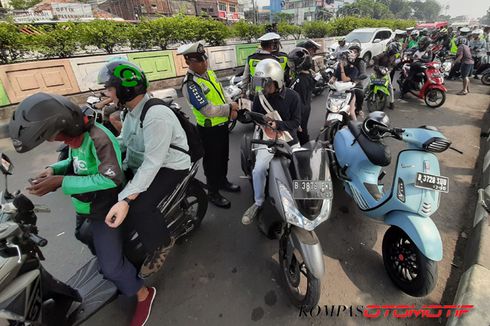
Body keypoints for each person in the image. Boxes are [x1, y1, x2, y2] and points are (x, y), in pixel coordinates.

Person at [10, 92, 155, 326]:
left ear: (64, 125)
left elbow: (111, 178)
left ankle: (143, 293)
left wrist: (61, 182)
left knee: (111, 267)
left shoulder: (99, 137)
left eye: (51, 135)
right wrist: (54, 169)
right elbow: (75, 162)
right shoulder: (76, 137)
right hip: (84, 204)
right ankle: (115, 266)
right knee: (82, 234)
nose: (51, 141)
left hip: (104, 208)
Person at [98, 60, 194, 284]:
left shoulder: (155, 116)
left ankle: (161, 244)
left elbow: (153, 163)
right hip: (146, 162)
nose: (107, 94)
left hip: (171, 166)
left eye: (110, 89)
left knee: (139, 206)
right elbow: (125, 141)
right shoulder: (129, 112)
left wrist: (126, 199)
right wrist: (102, 155)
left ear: (124, 89)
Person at [178, 41, 240, 208]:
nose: (205, 63)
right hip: (208, 130)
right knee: (212, 163)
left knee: (223, 157)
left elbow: (223, 92)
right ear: (189, 62)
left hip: (222, 126)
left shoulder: (209, 74)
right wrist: (229, 108)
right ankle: (213, 192)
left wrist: (231, 106)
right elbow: (207, 110)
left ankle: (223, 181)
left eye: (205, 59)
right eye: (200, 61)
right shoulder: (190, 84)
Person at [241, 59, 301, 225]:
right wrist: (254, 117)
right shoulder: (259, 98)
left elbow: (296, 122)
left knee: (300, 165)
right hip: (267, 138)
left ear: (278, 81)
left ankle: (304, 200)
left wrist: (279, 124)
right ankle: (258, 202)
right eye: (261, 84)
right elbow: (256, 117)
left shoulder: (293, 97)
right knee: (259, 169)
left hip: (288, 137)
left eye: (266, 84)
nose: (263, 88)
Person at [242, 32, 287, 98]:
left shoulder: (251, 58)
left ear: (261, 45)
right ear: (272, 45)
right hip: (271, 94)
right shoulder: (276, 60)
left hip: (255, 94)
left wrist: (243, 92)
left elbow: (245, 77)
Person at [288, 47, 316, 145]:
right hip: (305, 108)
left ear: (300, 63)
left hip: (300, 110)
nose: (291, 65)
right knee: (302, 131)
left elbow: (293, 96)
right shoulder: (309, 76)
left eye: (292, 63)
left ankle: (306, 151)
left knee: (301, 132)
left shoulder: (300, 80)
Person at [329, 50, 360, 121]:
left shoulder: (354, 69)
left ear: (349, 60)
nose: (341, 61)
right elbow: (335, 76)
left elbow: (344, 79)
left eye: (343, 59)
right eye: (341, 59)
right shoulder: (339, 66)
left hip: (348, 92)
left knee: (352, 112)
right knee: (330, 108)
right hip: (338, 91)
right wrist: (331, 80)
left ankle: (357, 128)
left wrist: (342, 68)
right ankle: (325, 125)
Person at [372, 42, 400, 110]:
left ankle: (391, 102)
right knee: (370, 82)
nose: (393, 54)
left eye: (394, 53)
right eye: (392, 52)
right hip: (378, 70)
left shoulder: (394, 56)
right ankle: (364, 95)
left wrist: (390, 69)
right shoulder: (383, 54)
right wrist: (376, 65)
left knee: (390, 86)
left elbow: (393, 64)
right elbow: (375, 57)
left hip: (386, 72)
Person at [347, 44, 367, 116]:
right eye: (351, 51)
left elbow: (364, 74)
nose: (353, 53)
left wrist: (356, 80)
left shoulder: (361, 62)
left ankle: (359, 109)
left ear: (358, 53)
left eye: (355, 52)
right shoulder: (346, 60)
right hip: (344, 83)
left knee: (360, 94)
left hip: (356, 84)